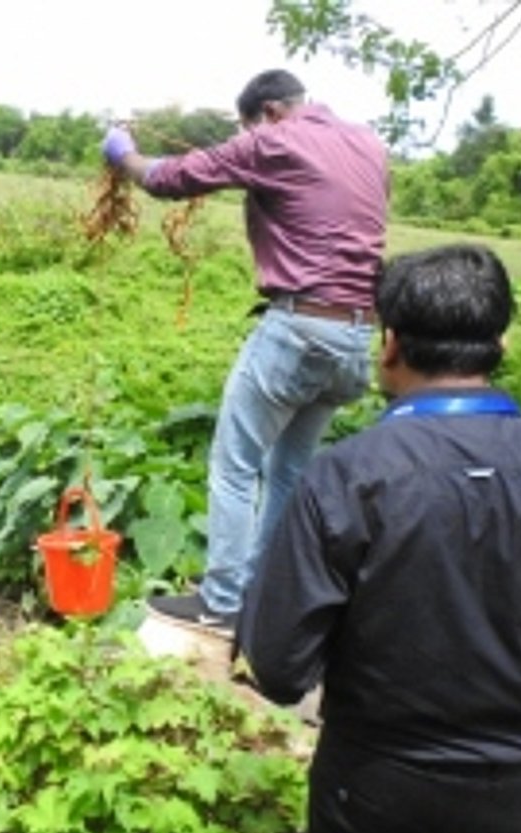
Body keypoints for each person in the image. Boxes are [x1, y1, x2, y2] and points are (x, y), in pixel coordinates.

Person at [238, 243, 521, 833]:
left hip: (373, 784)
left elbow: (276, 665)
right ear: (500, 341)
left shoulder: (345, 477)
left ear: (389, 344)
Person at [101, 69, 388, 634]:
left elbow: (169, 178)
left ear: (270, 112)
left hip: (300, 326)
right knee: (289, 470)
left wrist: (123, 153)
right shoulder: (369, 143)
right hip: (358, 334)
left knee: (234, 466)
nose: (248, 134)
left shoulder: (275, 139)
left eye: (247, 124)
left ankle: (223, 602)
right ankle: (262, 592)